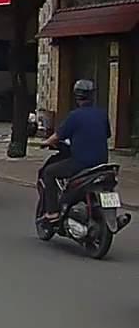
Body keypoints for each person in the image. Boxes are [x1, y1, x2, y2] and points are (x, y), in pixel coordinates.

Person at [39, 79, 112, 222]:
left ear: (77, 96)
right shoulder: (102, 114)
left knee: (49, 172)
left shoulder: (74, 116)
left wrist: (45, 143)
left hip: (81, 163)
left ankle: (52, 212)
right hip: (102, 163)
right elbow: (107, 134)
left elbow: (57, 136)